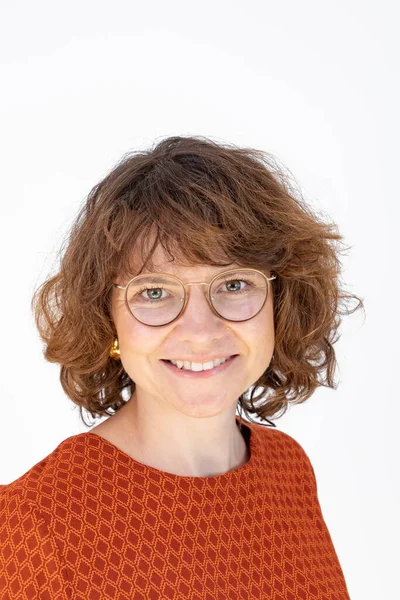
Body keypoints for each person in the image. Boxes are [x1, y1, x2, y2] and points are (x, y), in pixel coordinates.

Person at [0, 135, 363, 599]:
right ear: (105, 315)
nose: (200, 330)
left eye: (233, 283)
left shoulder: (288, 471)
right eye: (154, 291)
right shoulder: (32, 525)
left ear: (281, 300)